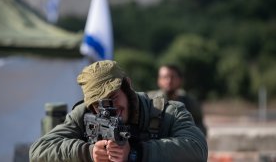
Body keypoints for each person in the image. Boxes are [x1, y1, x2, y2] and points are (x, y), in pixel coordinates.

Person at [29, 60, 208, 162]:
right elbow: (38, 151)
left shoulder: (169, 112)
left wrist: (136, 152)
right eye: (98, 103)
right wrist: (87, 152)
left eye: (113, 97)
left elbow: (197, 148)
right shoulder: (84, 114)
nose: (109, 108)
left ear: (127, 86)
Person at [147, 64, 207, 136]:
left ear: (180, 80)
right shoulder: (148, 100)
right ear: (158, 80)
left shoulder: (189, 102)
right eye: (165, 77)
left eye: (172, 77)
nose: (169, 81)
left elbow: (200, 127)